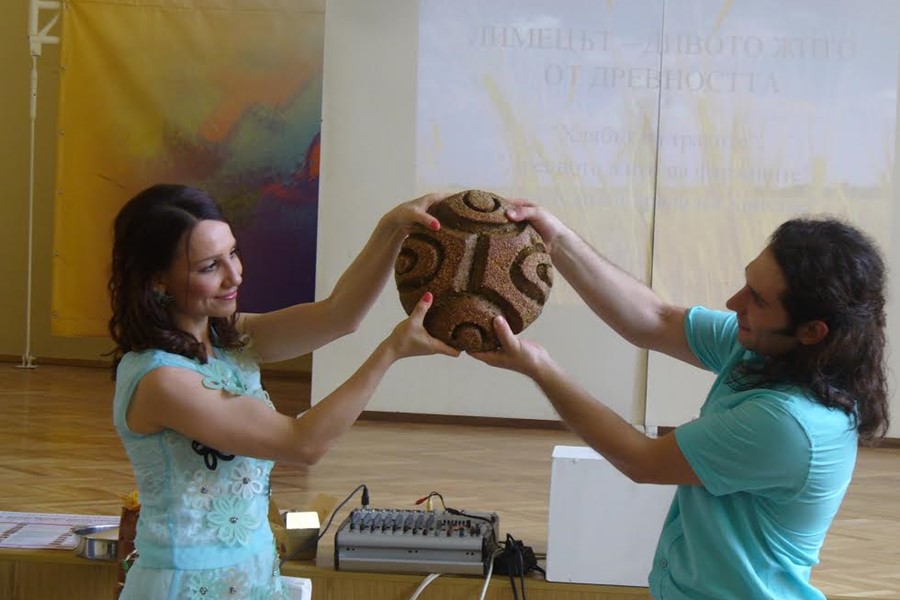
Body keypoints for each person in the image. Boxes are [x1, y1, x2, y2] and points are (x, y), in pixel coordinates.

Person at [473, 203, 889, 600]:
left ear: (812, 331)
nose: (734, 303)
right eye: (747, 284)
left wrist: (540, 369)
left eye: (758, 300)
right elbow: (655, 319)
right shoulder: (773, 349)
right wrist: (558, 239)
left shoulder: (789, 423)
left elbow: (641, 460)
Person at [108, 184, 459, 599]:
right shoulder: (161, 379)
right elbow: (302, 443)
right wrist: (390, 352)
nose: (235, 275)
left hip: (254, 576)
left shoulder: (228, 337)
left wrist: (392, 229)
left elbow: (339, 315)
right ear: (157, 280)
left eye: (233, 253)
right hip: (186, 588)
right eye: (209, 266)